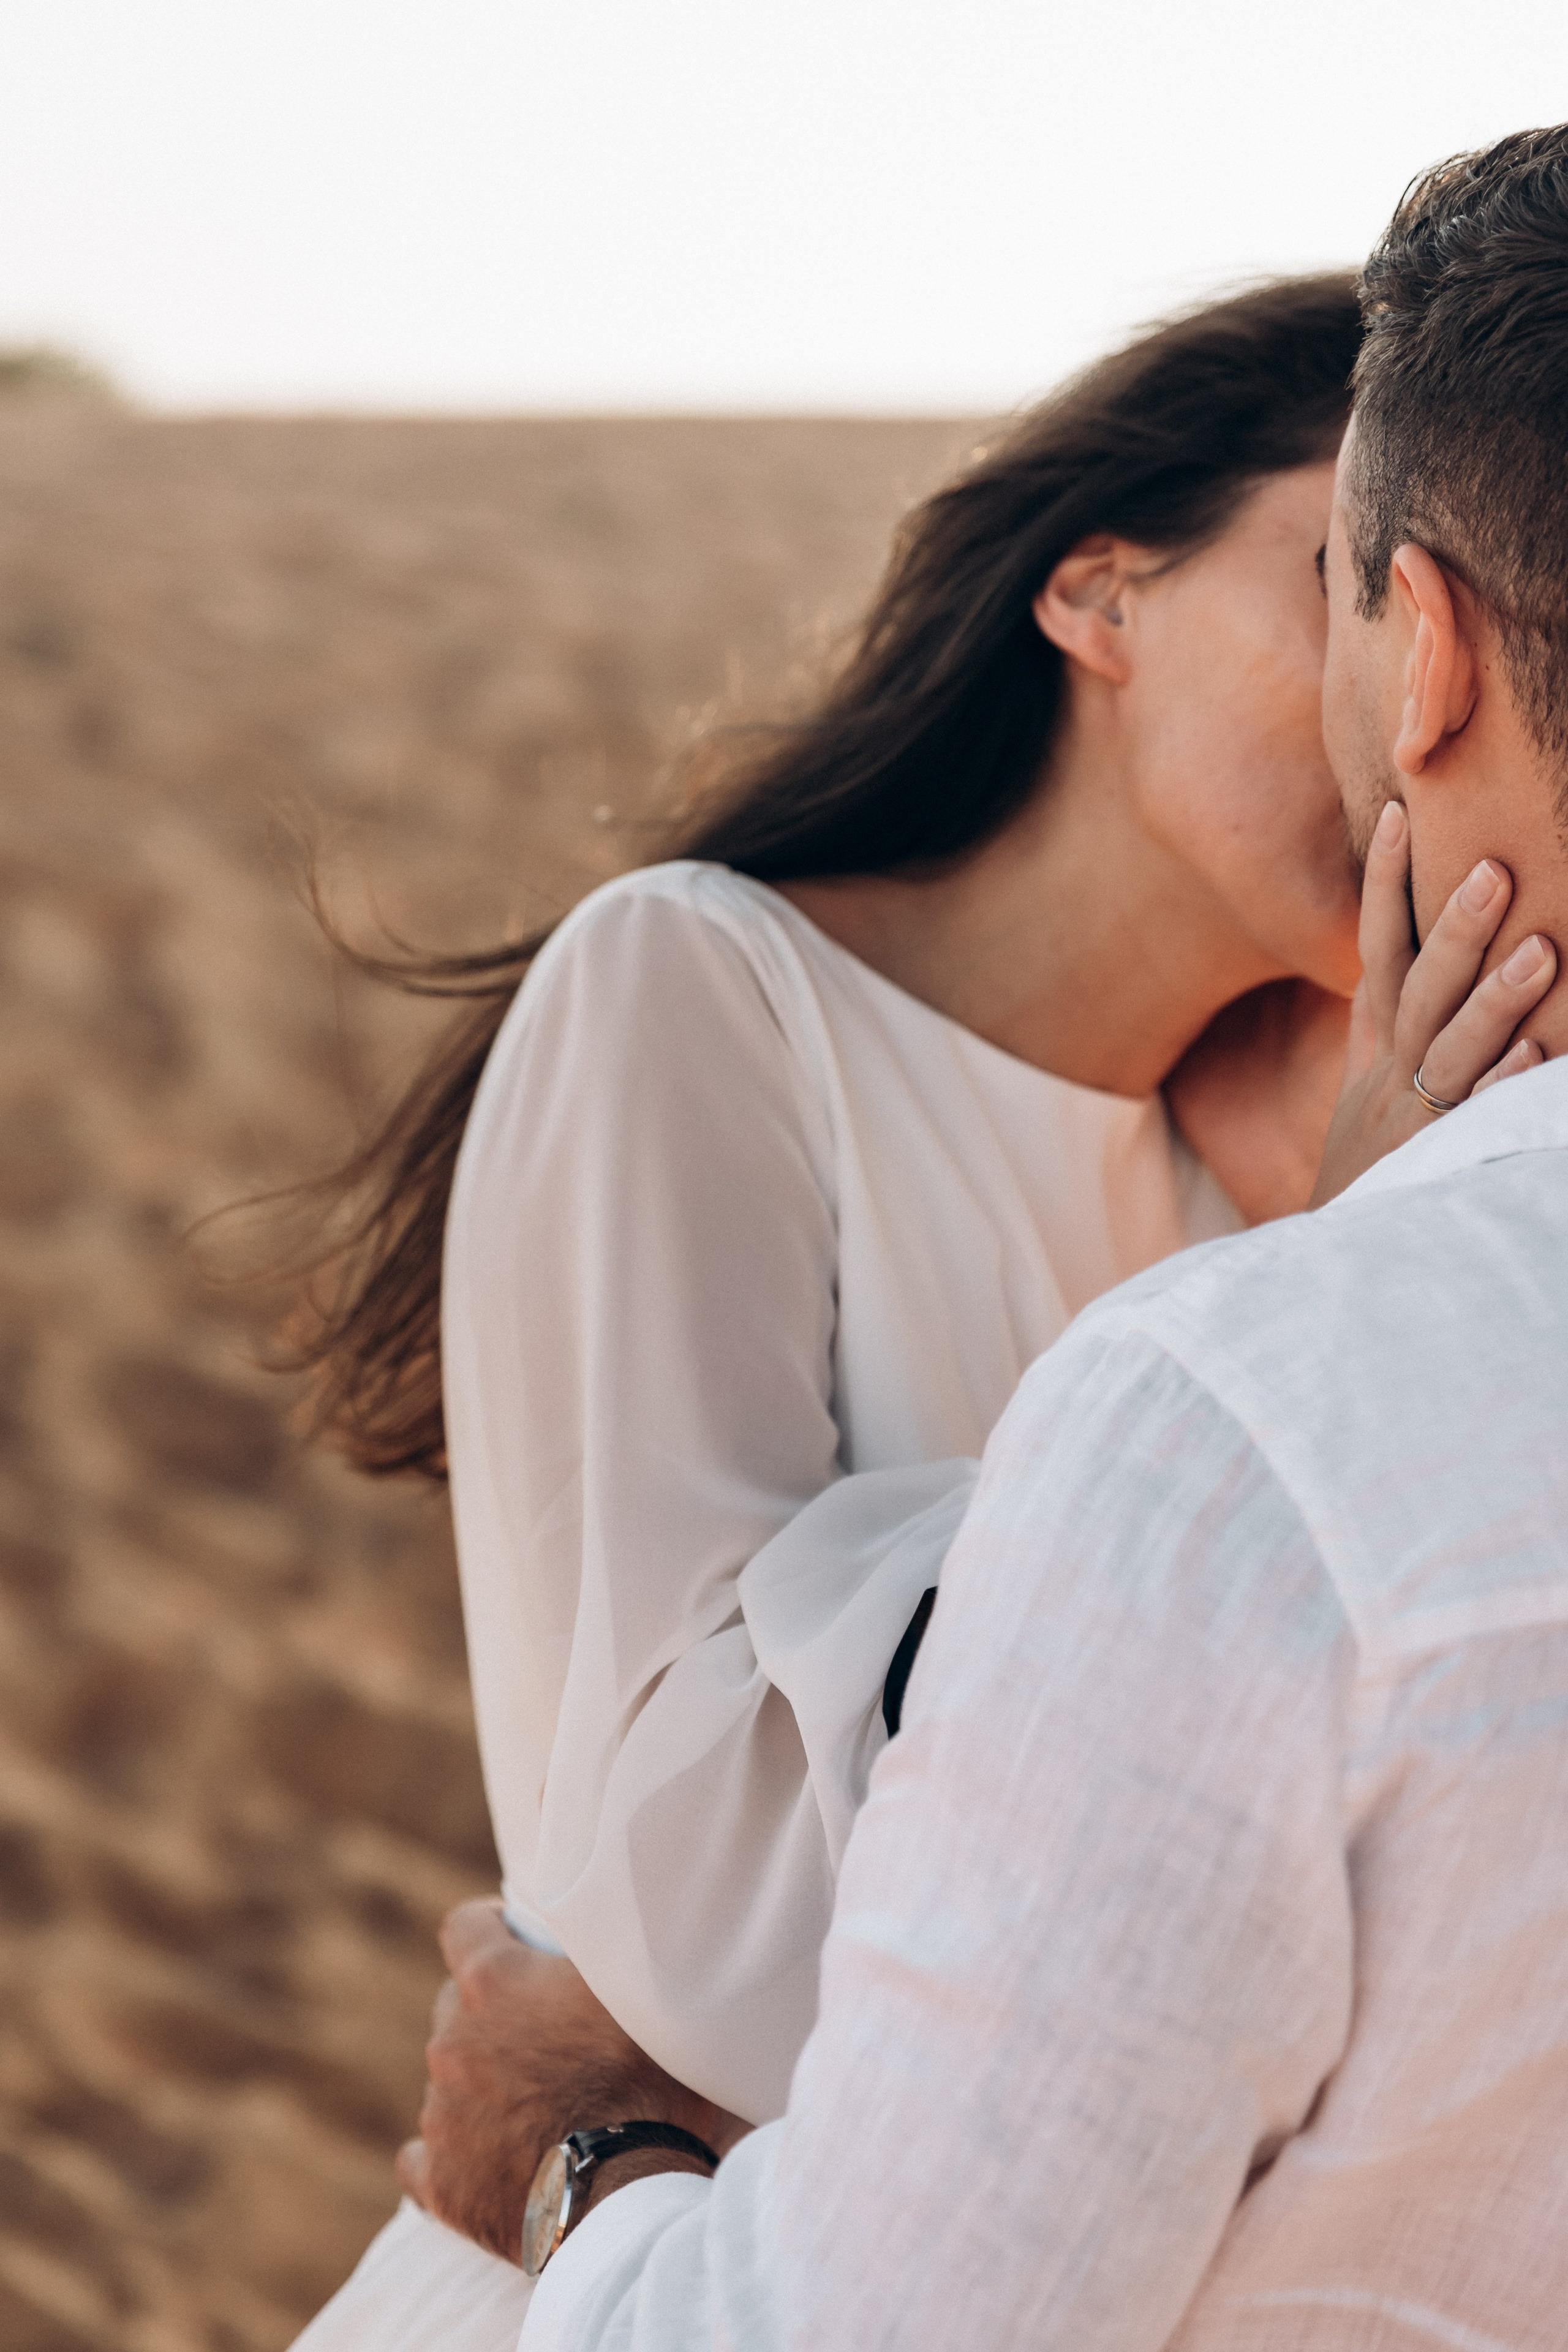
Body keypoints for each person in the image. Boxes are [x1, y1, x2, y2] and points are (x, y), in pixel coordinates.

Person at [288, 276, 1547, 2350]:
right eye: (1332, 583)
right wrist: (1327, 1255)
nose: (1384, 692)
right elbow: (662, 1897)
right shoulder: (696, 989)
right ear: (1096, 595)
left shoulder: (1278, 1165)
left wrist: (1330, 1228)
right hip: (618, 2262)